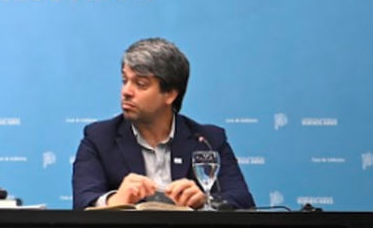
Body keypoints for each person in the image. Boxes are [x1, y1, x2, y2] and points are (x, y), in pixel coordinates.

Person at [72, 38, 254, 210]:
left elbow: (243, 200)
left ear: (170, 94)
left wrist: (206, 201)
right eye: (125, 80)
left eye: (140, 84)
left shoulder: (208, 139)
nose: (126, 91)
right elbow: (83, 201)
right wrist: (115, 200)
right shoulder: (99, 137)